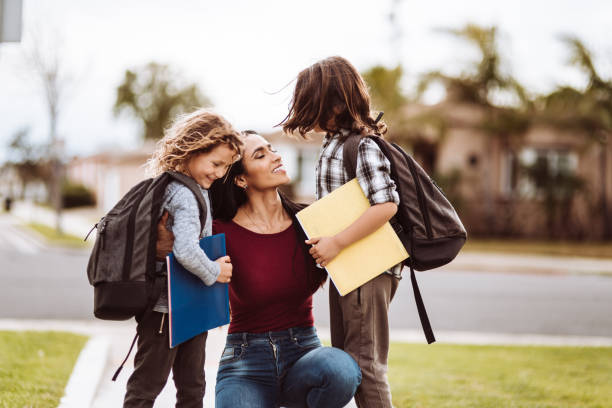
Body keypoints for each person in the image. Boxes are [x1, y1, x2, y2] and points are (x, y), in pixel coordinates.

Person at [279, 56, 401, 408]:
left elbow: (386, 205)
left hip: (367, 268)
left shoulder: (361, 145)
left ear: (333, 103)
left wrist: (336, 242)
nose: (307, 116)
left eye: (310, 106)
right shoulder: (334, 144)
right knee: (349, 358)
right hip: (348, 267)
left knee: (365, 364)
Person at [210, 130, 362, 408]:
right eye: (261, 154)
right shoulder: (220, 231)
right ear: (241, 178)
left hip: (303, 351)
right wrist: (208, 269)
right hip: (246, 360)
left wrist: (338, 244)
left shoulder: (310, 222)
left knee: (341, 370)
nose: (275, 156)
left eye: (272, 149)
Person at [124, 108, 242, 408]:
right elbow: (186, 250)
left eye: (224, 167)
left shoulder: (184, 187)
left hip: (184, 307)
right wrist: (214, 271)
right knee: (150, 386)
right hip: (166, 310)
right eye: (215, 163)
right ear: (192, 149)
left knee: (191, 386)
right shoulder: (184, 194)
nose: (218, 173)